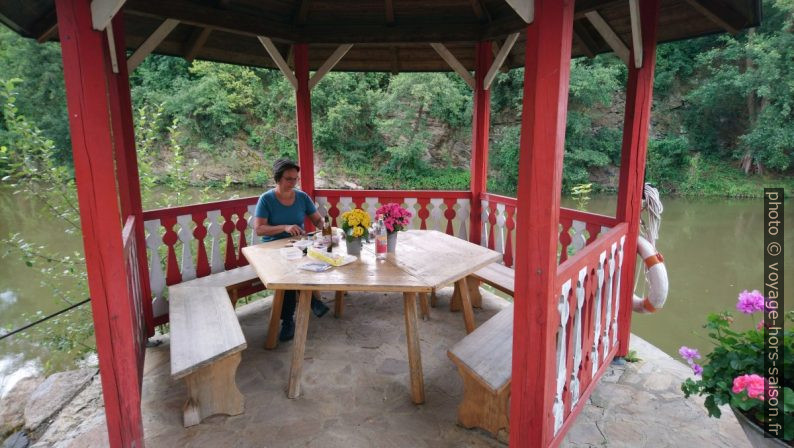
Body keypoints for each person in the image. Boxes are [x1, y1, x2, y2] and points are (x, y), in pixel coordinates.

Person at [253, 158, 330, 342]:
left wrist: (324, 227)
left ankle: (306, 307)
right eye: (288, 179)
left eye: (295, 179)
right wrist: (284, 227)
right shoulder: (267, 199)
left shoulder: (302, 197)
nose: (293, 183)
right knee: (288, 275)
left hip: (297, 245)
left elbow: (317, 220)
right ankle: (292, 318)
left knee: (315, 261)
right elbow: (259, 228)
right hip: (272, 248)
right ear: (278, 179)